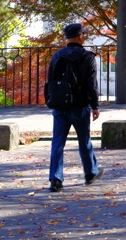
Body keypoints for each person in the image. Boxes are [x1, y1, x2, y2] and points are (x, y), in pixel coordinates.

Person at [45, 22, 103, 192]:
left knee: (57, 143)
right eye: (83, 34)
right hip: (80, 105)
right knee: (84, 140)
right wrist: (95, 106)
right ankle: (90, 173)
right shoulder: (87, 57)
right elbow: (92, 84)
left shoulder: (57, 55)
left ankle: (56, 179)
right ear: (80, 36)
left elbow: (51, 80)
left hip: (60, 105)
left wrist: (51, 99)